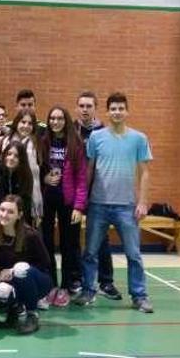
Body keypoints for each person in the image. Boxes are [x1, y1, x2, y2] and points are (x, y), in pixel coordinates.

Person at [74, 93, 154, 313]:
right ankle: (88, 291)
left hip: (126, 207)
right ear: (107, 112)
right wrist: (84, 202)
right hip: (98, 205)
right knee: (90, 252)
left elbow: (144, 172)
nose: (117, 112)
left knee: (133, 254)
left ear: (126, 111)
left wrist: (143, 202)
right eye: (113, 109)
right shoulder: (96, 138)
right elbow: (88, 170)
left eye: (121, 108)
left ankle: (139, 295)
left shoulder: (139, 138)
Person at [39, 106, 88, 307]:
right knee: (46, 243)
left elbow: (82, 178)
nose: (55, 121)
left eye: (59, 118)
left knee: (70, 244)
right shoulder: (42, 142)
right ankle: (50, 284)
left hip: (68, 202)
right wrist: (44, 178)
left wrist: (79, 206)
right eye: (52, 118)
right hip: (46, 201)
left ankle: (68, 285)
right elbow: (35, 170)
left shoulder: (75, 144)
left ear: (65, 120)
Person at [75, 90, 118, 299]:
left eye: (89, 106)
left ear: (95, 108)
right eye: (81, 106)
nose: (85, 109)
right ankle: (76, 280)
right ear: (77, 108)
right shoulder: (71, 130)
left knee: (101, 239)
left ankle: (106, 282)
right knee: (73, 238)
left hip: (97, 195)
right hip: (73, 193)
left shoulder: (104, 131)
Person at [0, 195, 52, 334]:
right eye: (2, 210)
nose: (4, 214)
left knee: (21, 269)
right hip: (11, 280)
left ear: (19, 215)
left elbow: (45, 264)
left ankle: (32, 314)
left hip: (38, 281)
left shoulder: (30, 235)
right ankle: (14, 310)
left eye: (10, 212)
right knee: (2, 289)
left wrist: (13, 270)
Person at [0, 110, 44, 225]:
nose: (26, 126)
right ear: (16, 123)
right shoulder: (4, 142)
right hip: (5, 196)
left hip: (26, 197)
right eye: (23, 122)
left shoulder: (37, 144)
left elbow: (42, 170)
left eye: (30, 124)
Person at [0, 141, 36, 225]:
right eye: (9, 154)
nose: (11, 158)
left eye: (16, 156)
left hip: (18, 218)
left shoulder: (26, 175)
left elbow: (26, 204)